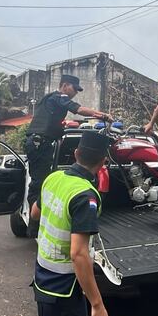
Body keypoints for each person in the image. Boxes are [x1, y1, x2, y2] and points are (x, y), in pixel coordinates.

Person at [31, 131, 111, 316]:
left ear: (76, 154)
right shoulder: (85, 196)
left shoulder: (53, 178)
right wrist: (97, 304)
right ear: (102, 162)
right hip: (65, 290)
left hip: (42, 281)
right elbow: (78, 254)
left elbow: (34, 214)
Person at [25, 74, 112, 237]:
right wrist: (102, 115)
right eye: (74, 89)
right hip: (39, 143)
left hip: (41, 143)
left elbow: (51, 121)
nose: (75, 93)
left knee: (41, 181)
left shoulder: (50, 100)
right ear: (64, 85)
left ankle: (36, 222)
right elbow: (78, 109)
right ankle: (34, 227)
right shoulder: (59, 97)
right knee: (39, 184)